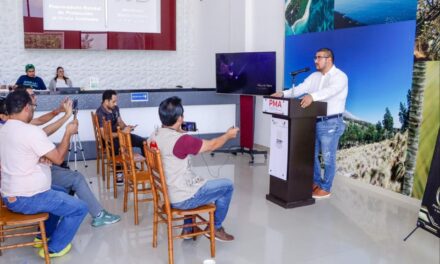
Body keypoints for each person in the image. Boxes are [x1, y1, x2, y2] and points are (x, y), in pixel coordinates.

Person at [14, 86, 121, 227]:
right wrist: (67, 126)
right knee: (75, 178)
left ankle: (57, 219)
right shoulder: (20, 127)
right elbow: (46, 136)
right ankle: (95, 214)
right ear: (24, 103)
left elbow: (40, 122)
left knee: (69, 177)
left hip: (31, 172)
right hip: (29, 182)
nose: (35, 98)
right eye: (32, 96)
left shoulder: (14, 124)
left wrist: (60, 111)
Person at [0, 90, 87, 258]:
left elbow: (18, 154)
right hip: (27, 198)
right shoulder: (30, 131)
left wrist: (38, 158)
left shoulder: (4, 129)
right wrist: (68, 133)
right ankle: (55, 248)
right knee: (80, 208)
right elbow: (59, 158)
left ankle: (42, 235)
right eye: (33, 106)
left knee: (61, 192)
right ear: (26, 107)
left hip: (10, 194)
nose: (33, 109)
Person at [149, 96, 239, 242]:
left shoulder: (154, 135)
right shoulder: (182, 140)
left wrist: (178, 132)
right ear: (180, 118)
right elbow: (212, 145)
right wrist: (228, 135)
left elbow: (170, 145)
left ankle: (189, 227)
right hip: (182, 198)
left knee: (191, 178)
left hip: (166, 194)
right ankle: (215, 228)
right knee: (227, 186)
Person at [272, 48, 348, 199]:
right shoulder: (314, 76)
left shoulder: (340, 77)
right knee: (311, 155)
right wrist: (283, 93)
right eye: (315, 57)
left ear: (329, 59)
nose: (315, 61)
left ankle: (326, 188)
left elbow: (330, 91)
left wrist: (312, 97)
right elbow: (300, 88)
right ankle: (316, 182)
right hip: (313, 121)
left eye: (319, 57)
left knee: (327, 157)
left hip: (331, 123)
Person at [96, 89, 146, 184]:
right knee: (116, 146)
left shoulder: (115, 108)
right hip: (109, 140)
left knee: (143, 142)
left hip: (120, 135)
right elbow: (104, 136)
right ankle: (119, 174)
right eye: (113, 101)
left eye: (116, 101)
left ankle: (148, 169)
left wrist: (127, 127)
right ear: (106, 101)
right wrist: (122, 132)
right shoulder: (100, 113)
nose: (116, 104)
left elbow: (120, 122)